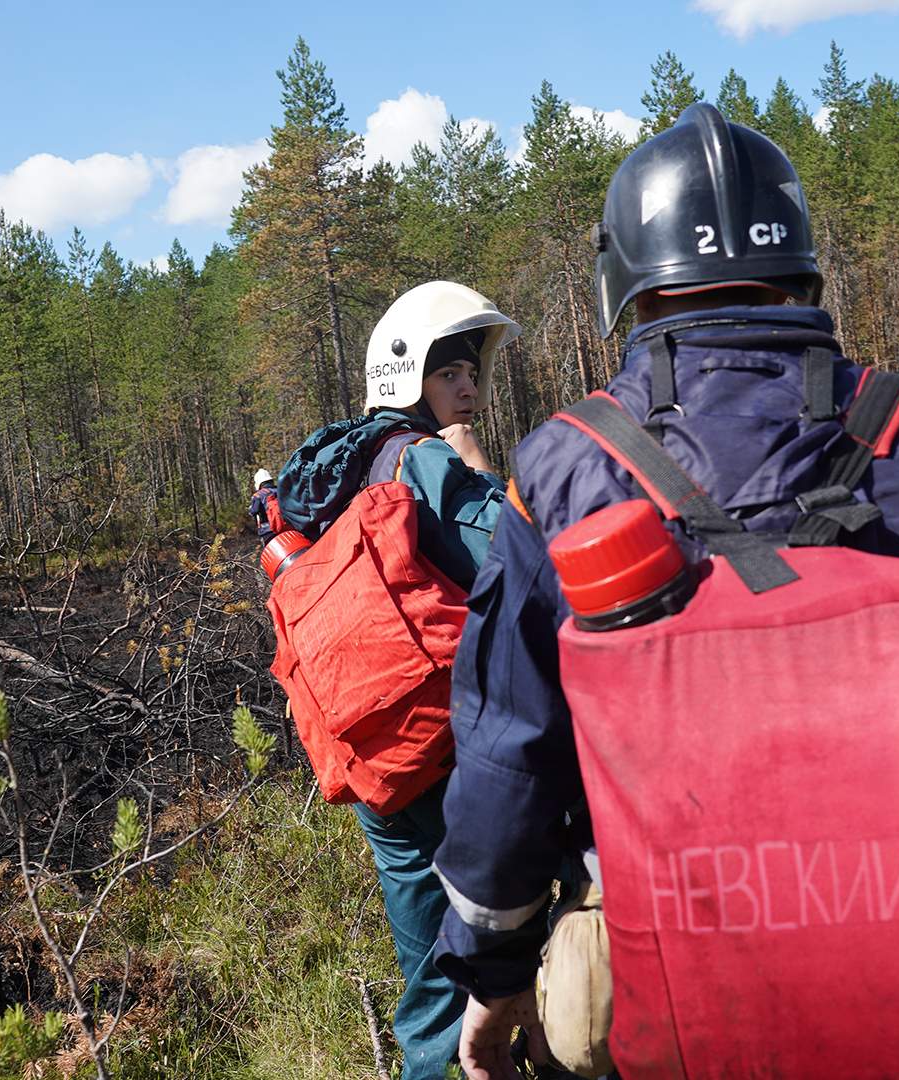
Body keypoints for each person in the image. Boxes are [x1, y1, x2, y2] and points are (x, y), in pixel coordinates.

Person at [432, 103, 899, 1078]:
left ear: (627, 287)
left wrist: (491, 973)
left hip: (689, 1002)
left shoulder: (560, 475)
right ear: (802, 270)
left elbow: (508, 757)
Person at [274, 280, 520, 1080]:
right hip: (446, 744)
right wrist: (483, 478)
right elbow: (511, 567)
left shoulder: (341, 463)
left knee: (429, 980)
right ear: (410, 379)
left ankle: (427, 1067)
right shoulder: (426, 459)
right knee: (511, 947)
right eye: (453, 373)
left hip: (372, 749)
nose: (471, 388)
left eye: (472, 372)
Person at [248, 467, 279, 544]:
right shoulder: (280, 490)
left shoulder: (258, 495)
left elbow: (253, 511)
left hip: (268, 531)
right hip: (287, 527)